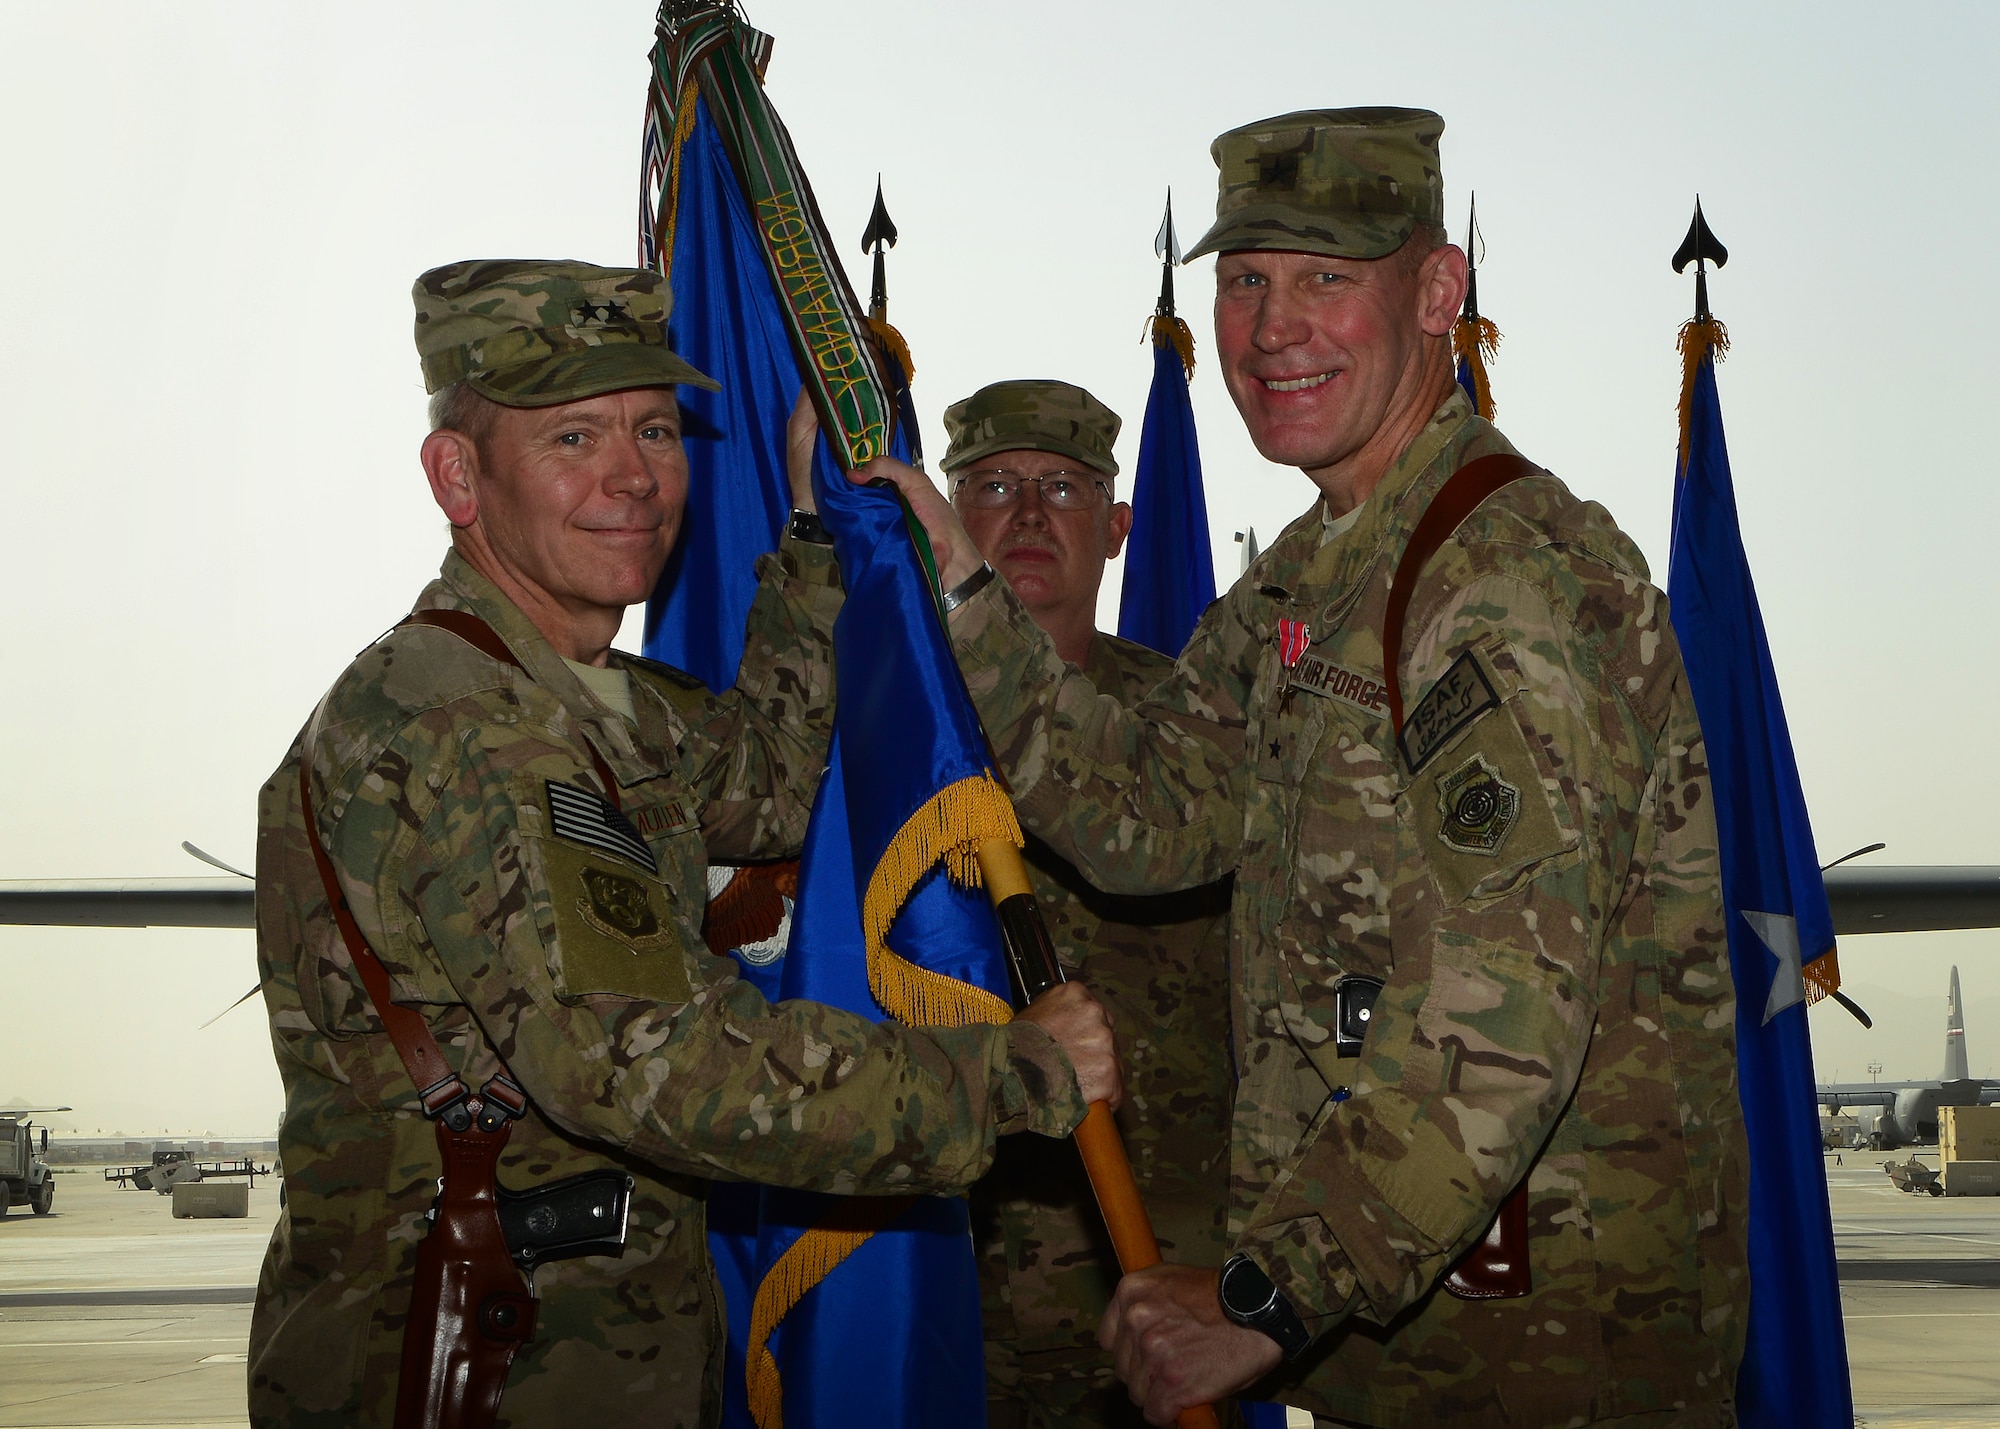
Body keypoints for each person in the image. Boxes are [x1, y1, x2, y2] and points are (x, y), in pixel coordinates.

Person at [862, 110, 1750, 1427]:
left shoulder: (1496, 581)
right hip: (1403, 1342)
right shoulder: (1317, 570)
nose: (1273, 326)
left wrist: (1264, 1294)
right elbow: (1151, 814)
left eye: (1327, 278)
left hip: (1547, 1356)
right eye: (1245, 279)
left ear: (1439, 292)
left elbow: (1495, 1033)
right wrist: (962, 593)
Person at [247, 259, 1120, 1427]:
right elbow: (652, 1063)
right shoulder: (464, 724)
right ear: (457, 475)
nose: (633, 478)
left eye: (654, 428)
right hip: (483, 1377)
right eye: (570, 438)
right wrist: (1009, 1072)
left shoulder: (587, 695)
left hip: (599, 1364)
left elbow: (759, 781)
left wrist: (818, 525)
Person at [940, 382, 1235, 1429]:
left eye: (1060, 488)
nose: (1025, 515)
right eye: (991, 486)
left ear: (1114, 528)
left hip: (1152, 1308)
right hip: (934, 1293)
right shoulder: (883, 735)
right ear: (945, 516)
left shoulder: (1193, 735)